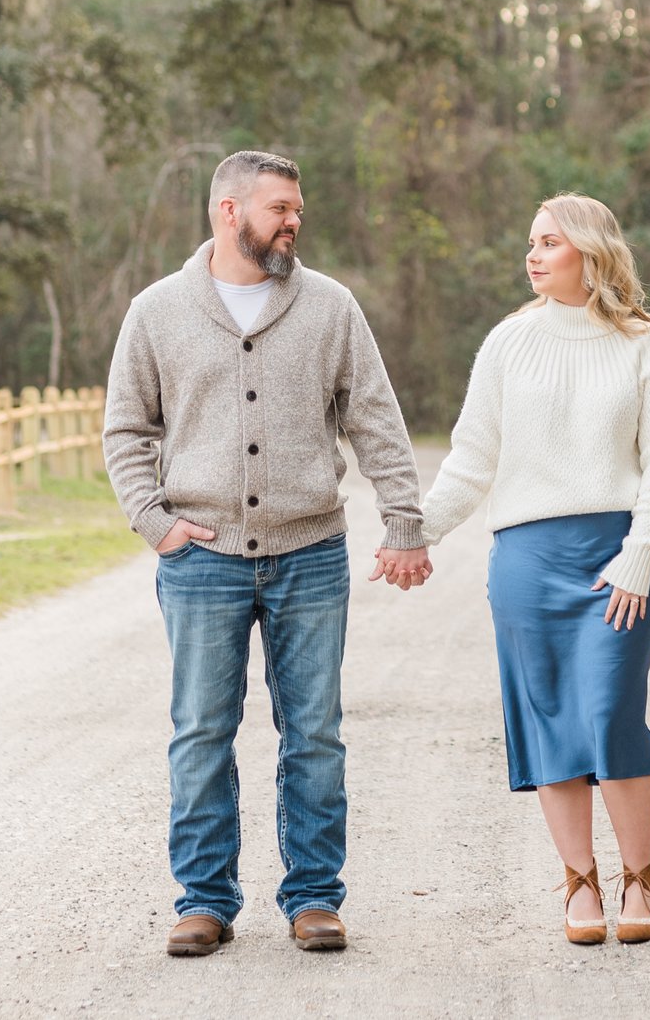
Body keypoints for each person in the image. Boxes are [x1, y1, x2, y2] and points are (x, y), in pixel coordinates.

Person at [102, 149, 431, 959]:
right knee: (202, 730)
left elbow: (377, 419)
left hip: (310, 551)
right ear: (228, 210)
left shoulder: (330, 307)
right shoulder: (156, 311)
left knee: (314, 730)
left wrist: (405, 520)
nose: (293, 221)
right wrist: (155, 520)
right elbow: (125, 429)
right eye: (279, 207)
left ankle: (315, 894)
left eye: (298, 208)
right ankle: (204, 899)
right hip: (201, 559)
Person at [417, 193, 650, 946]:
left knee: (610, 711)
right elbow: (472, 457)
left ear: (590, 252)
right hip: (527, 562)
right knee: (550, 720)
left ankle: (640, 873)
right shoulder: (508, 342)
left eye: (550, 242)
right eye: (530, 241)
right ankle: (579, 881)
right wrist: (417, 530)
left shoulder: (643, 345)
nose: (533, 255)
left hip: (617, 558)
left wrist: (640, 555)